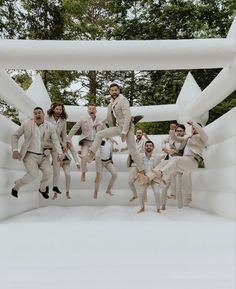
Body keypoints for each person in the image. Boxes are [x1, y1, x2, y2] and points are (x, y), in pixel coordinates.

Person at [86, 83, 146, 182]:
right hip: (118, 127)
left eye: (115, 90)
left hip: (128, 128)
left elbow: (127, 116)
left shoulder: (123, 100)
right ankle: (91, 153)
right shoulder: (112, 103)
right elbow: (109, 117)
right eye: (112, 90)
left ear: (119, 91)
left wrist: (124, 132)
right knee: (99, 134)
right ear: (110, 92)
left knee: (133, 150)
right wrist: (100, 123)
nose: (114, 92)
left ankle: (142, 171)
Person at [11, 107, 63, 198]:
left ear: (43, 115)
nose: (37, 114)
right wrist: (15, 150)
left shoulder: (50, 126)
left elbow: (55, 141)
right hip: (29, 155)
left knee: (48, 173)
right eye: (35, 113)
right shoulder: (27, 124)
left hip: (44, 156)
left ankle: (42, 189)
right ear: (33, 116)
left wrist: (60, 153)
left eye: (39, 113)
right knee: (33, 175)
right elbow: (15, 135)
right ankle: (17, 186)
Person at [140, 122, 208, 186]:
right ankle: (148, 178)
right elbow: (175, 138)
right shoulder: (188, 137)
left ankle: (161, 173)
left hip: (193, 161)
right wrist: (172, 130)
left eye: (195, 128)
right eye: (192, 128)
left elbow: (203, 134)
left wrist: (194, 124)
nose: (193, 130)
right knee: (164, 162)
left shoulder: (202, 138)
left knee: (175, 159)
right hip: (185, 163)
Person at [67, 103, 104, 183]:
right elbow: (74, 128)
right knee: (83, 156)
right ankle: (83, 172)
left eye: (93, 109)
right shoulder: (83, 119)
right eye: (90, 109)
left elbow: (105, 129)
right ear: (88, 110)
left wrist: (110, 138)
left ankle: (98, 173)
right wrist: (68, 138)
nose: (91, 110)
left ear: (96, 110)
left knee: (97, 156)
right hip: (86, 142)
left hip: (96, 142)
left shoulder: (100, 119)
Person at [161, 123, 188, 209]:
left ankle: (180, 206)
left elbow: (180, 150)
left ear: (184, 132)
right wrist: (163, 148)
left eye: (181, 131)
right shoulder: (171, 137)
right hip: (170, 163)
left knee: (178, 186)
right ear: (175, 131)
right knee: (165, 186)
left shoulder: (186, 139)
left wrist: (172, 151)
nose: (179, 132)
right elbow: (163, 141)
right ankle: (163, 205)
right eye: (178, 131)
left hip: (179, 163)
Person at [135, 141, 164, 214]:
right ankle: (142, 207)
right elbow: (139, 167)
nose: (148, 147)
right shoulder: (141, 156)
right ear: (144, 147)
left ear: (153, 147)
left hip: (154, 178)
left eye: (150, 146)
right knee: (141, 192)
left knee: (157, 192)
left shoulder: (157, 157)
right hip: (144, 178)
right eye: (147, 145)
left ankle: (158, 209)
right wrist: (141, 177)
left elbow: (158, 168)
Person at [46, 102, 68, 195]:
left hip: (57, 145)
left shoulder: (63, 121)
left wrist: (65, 144)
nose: (59, 111)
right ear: (53, 109)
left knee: (57, 167)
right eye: (57, 109)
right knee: (46, 168)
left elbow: (64, 133)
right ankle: (45, 186)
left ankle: (55, 186)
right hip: (46, 144)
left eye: (60, 109)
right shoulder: (46, 119)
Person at [127, 129, 151, 202]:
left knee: (143, 181)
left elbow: (151, 145)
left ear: (142, 134)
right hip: (134, 164)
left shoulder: (144, 142)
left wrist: (147, 138)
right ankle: (135, 195)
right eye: (137, 133)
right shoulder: (133, 142)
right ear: (135, 134)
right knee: (130, 181)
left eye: (140, 133)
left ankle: (145, 198)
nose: (138, 134)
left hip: (142, 164)